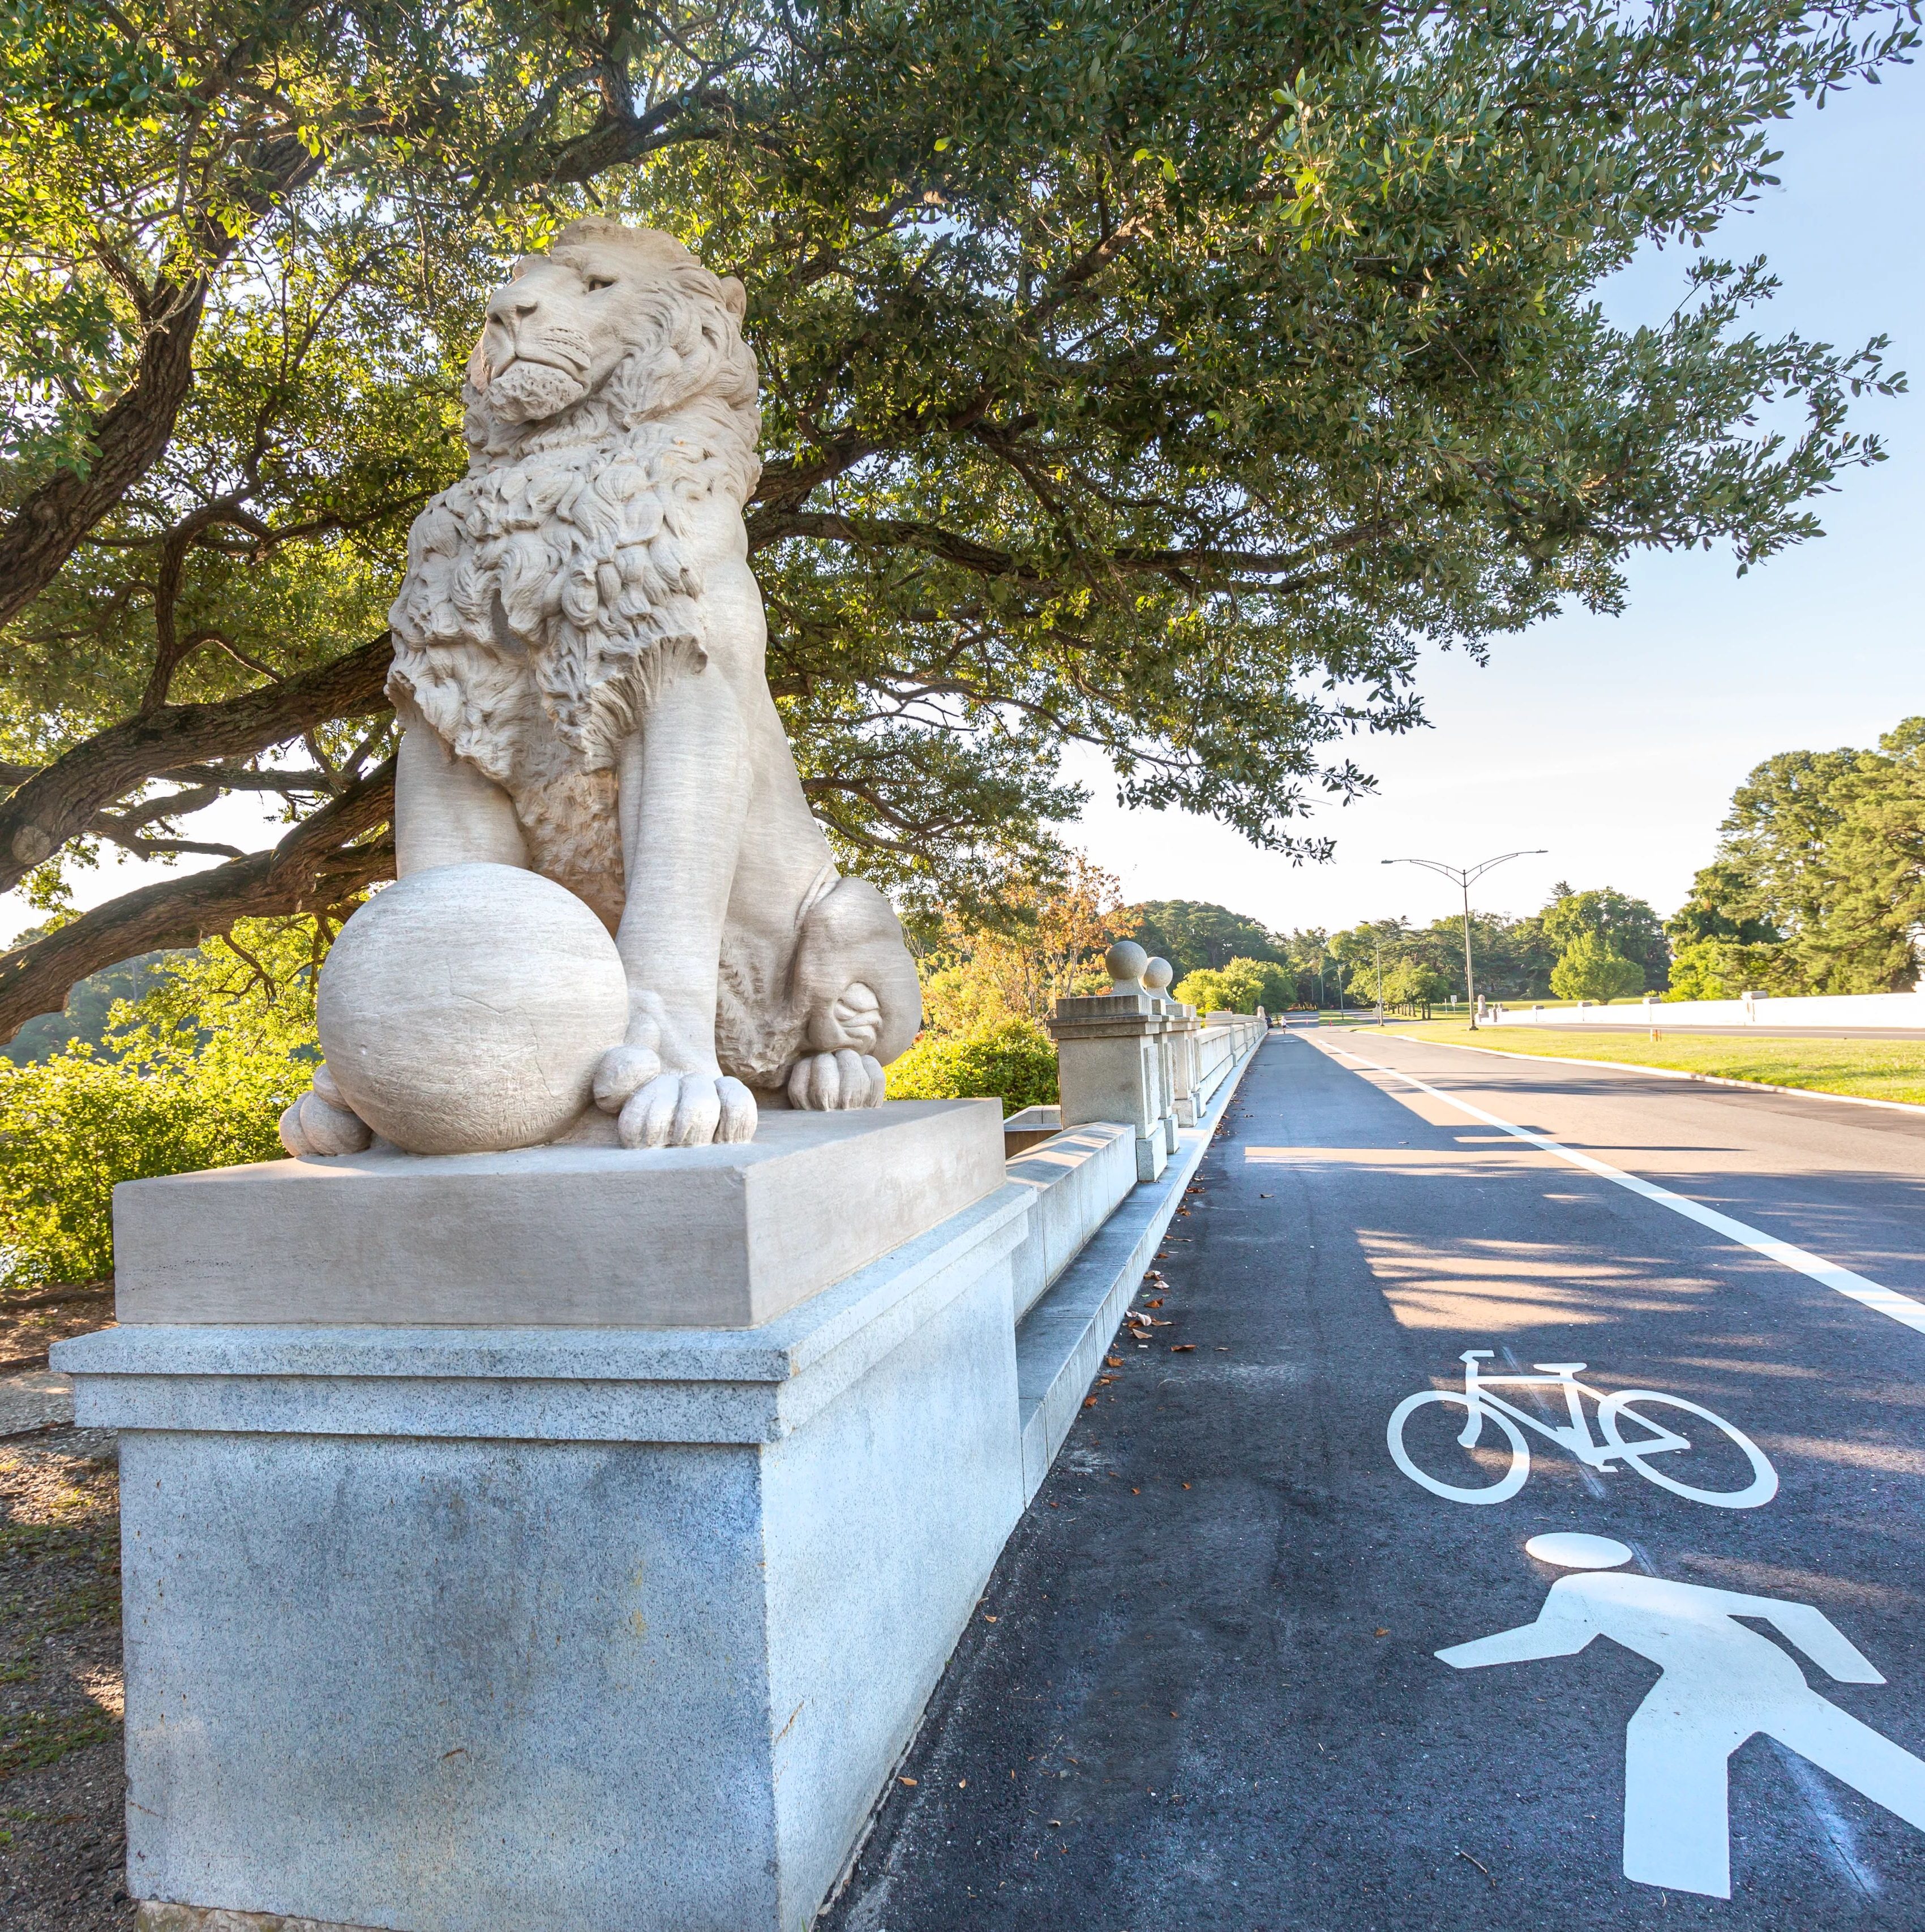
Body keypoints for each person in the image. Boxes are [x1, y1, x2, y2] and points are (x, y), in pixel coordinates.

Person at [1437, 1531, 1925, 1897]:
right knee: (1824, 1732)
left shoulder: (1575, 1590)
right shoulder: (1667, 1590)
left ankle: (1679, 1874)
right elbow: (1792, 1612)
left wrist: (1457, 1656)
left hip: (1706, 1677)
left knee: (1664, 1736)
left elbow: (1556, 1641)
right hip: (1764, 1666)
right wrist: (1849, 1671)